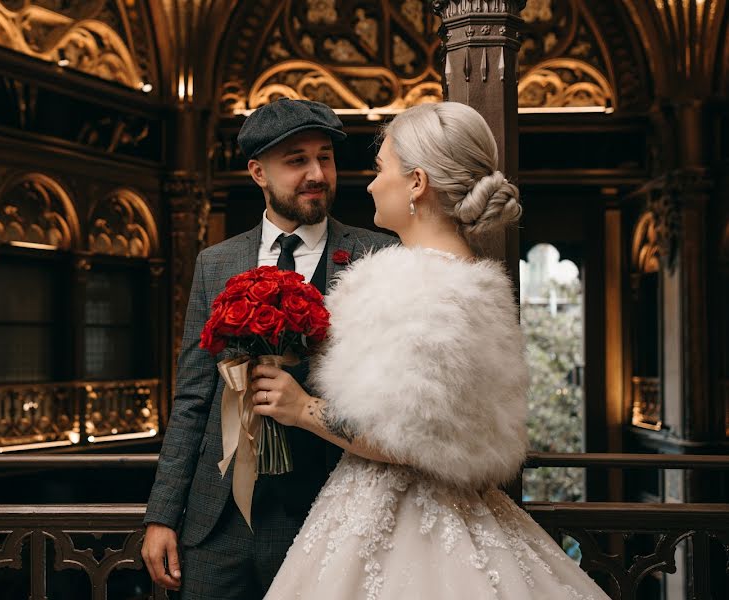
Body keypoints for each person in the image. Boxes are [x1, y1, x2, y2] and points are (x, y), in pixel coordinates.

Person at [251, 101, 610, 599]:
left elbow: (398, 436)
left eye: (382, 169)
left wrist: (302, 408)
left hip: (403, 518)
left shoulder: (427, 292)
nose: (373, 184)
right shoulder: (468, 281)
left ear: (416, 183)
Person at [142, 98, 397, 599]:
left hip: (323, 514)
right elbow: (193, 398)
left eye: (325, 157)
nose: (317, 173)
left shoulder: (376, 255)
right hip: (216, 527)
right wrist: (162, 515)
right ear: (258, 171)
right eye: (297, 160)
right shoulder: (216, 263)